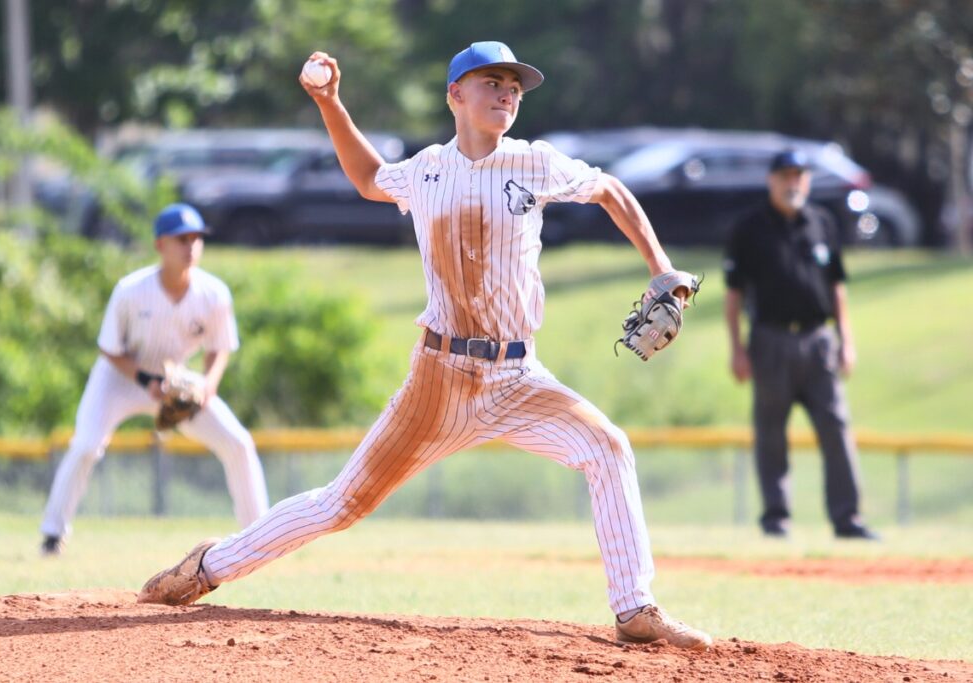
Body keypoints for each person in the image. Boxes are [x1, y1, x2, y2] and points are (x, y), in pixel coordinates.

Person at [137, 42, 712, 651]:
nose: (508, 93)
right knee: (341, 505)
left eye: (515, 86)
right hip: (439, 380)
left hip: (519, 378)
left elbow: (609, 190)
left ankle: (635, 608)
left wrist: (662, 269)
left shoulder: (535, 164)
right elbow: (365, 178)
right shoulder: (426, 171)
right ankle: (207, 566)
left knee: (608, 448)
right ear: (455, 96)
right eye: (493, 82)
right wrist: (330, 101)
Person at [39, 203, 269, 554]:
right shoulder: (130, 290)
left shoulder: (213, 293)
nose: (191, 246)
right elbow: (110, 349)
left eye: (196, 238)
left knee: (238, 443)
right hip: (119, 378)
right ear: (160, 245)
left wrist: (208, 384)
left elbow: (220, 347)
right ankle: (53, 533)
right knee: (86, 446)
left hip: (178, 381)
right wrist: (145, 380)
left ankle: (261, 538)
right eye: (181, 239)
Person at [723, 149, 878, 540]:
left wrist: (847, 340)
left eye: (799, 176)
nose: (793, 183)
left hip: (818, 339)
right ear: (771, 180)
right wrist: (737, 349)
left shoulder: (822, 222)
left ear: (807, 181)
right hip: (770, 339)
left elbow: (837, 288)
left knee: (836, 426)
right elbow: (733, 295)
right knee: (772, 432)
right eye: (785, 176)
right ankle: (776, 517)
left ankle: (848, 518)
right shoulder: (749, 227)